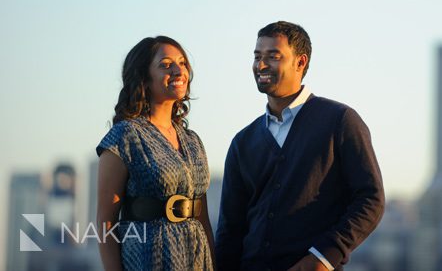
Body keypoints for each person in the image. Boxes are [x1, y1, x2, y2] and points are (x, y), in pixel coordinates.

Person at [215, 21, 385, 271]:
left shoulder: (339, 121)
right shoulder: (243, 141)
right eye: (257, 56)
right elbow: (230, 229)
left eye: (273, 56)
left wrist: (324, 257)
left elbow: (371, 199)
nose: (261, 65)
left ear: (300, 62)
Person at [96, 36, 215, 271]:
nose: (179, 70)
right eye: (166, 64)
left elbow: (203, 219)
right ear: (144, 78)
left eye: (182, 63)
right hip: (147, 259)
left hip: (197, 258)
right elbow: (105, 222)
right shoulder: (125, 136)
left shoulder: (193, 141)